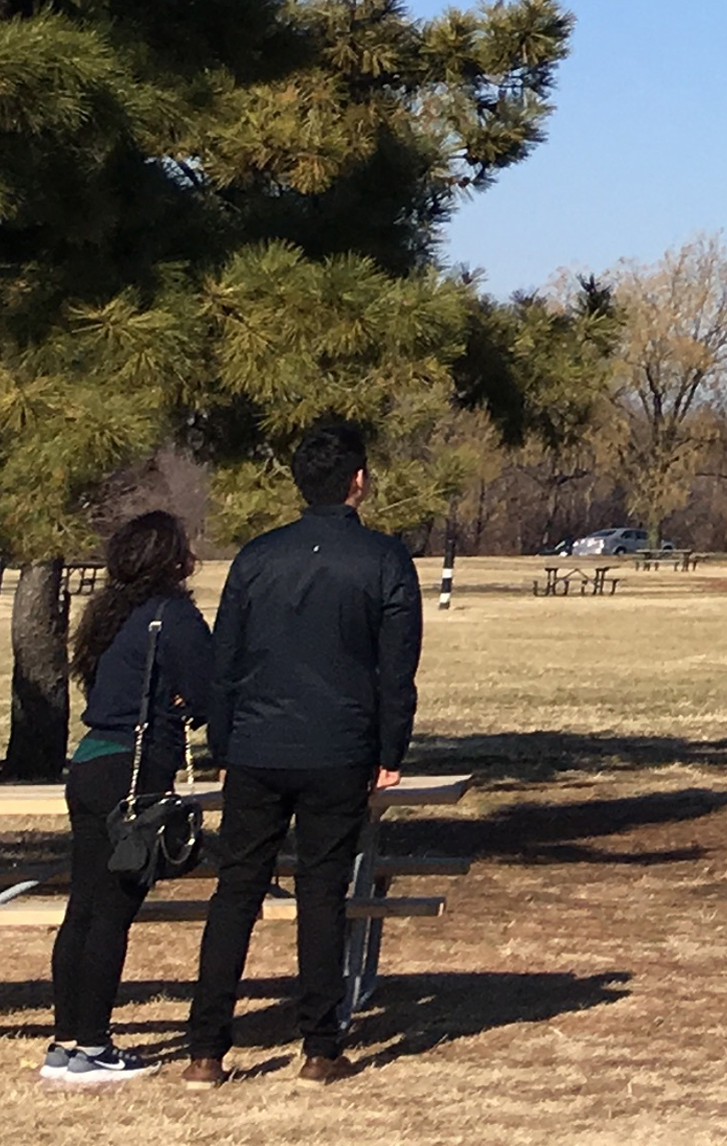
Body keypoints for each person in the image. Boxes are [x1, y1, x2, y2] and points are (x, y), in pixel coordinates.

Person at [180, 422, 423, 1085]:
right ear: (358, 482)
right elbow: (396, 667)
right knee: (322, 895)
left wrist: (223, 740)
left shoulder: (258, 557)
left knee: (236, 893)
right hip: (339, 746)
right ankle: (319, 1046)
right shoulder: (383, 559)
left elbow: (226, 659)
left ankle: (205, 1049)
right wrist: (391, 747)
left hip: (256, 745)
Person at [39, 512, 218, 1086]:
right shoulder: (174, 616)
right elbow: (211, 692)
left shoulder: (107, 616)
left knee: (84, 907)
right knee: (112, 912)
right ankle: (93, 1046)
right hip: (134, 771)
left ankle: (66, 1042)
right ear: (171, 559)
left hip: (90, 762)